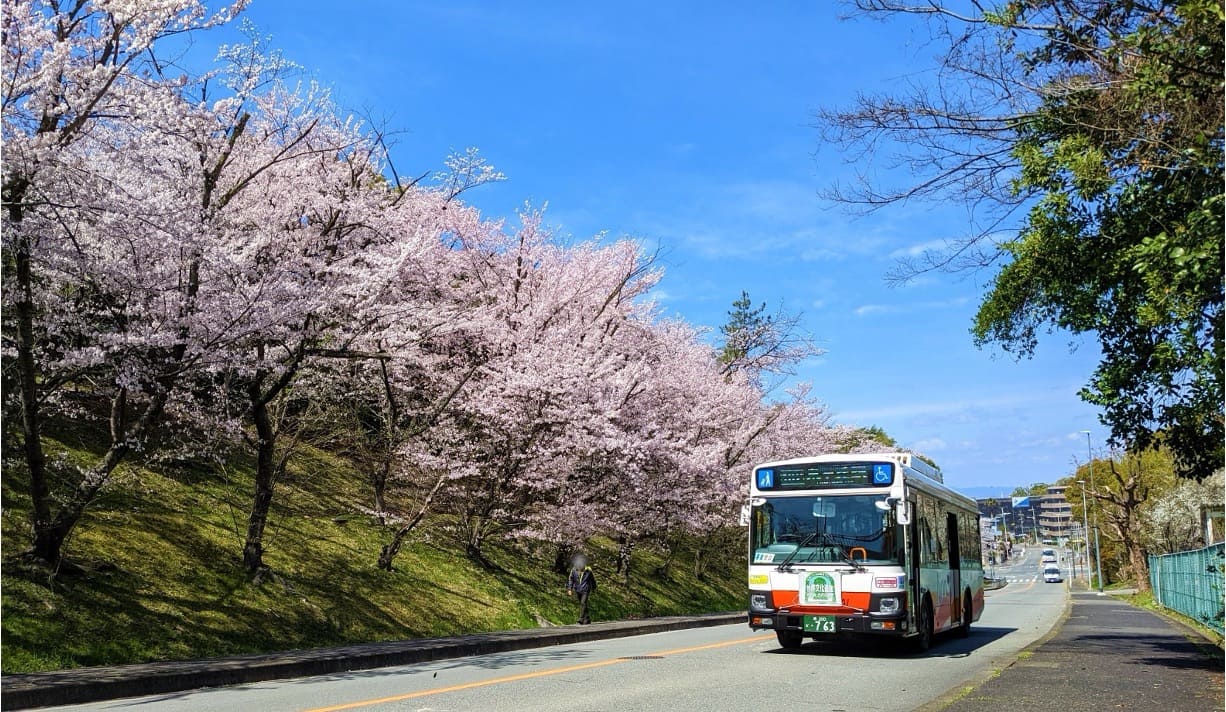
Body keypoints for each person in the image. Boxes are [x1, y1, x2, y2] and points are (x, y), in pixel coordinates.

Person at [566, 554, 597, 624]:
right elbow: (570, 579)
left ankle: (581, 618)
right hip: (578, 589)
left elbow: (592, 580)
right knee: (583, 604)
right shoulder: (573, 570)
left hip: (586, 589)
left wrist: (594, 588)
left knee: (583, 603)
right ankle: (587, 618)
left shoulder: (588, 570)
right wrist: (569, 589)